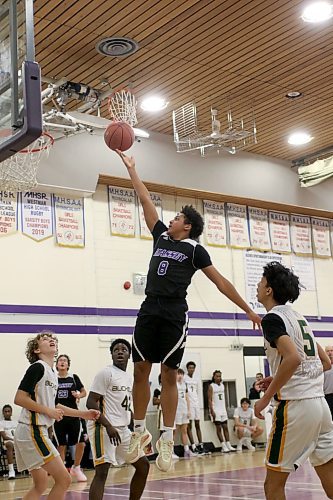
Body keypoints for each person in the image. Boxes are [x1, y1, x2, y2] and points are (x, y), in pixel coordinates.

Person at [117, 150, 261, 472]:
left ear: (188, 226)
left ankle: (167, 437)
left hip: (173, 313)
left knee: (168, 374)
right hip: (148, 308)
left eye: (179, 217)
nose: (173, 218)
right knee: (140, 370)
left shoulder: (195, 249)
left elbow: (221, 282)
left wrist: (249, 311)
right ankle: (139, 432)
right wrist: (132, 169)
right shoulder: (160, 237)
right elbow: (144, 200)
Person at [254, 261, 333, 500]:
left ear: (269, 290)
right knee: (330, 477)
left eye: (261, 282)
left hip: (295, 407)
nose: (258, 285)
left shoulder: (271, 319)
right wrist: (276, 376)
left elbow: (293, 359)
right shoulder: (300, 318)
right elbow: (325, 363)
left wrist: (264, 400)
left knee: (273, 485)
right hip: (321, 407)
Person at [13, 331, 99, 500]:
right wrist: (48, 411)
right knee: (64, 479)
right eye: (44, 339)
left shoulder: (51, 373)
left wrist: (84, 414)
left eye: (52, 338)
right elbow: (19, 398)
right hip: (32, 431)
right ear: (36, 350)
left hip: (36, 432)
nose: (50, 339)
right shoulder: (37, 367)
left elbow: (55, 406)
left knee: (41, 485)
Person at [86, 338, 149, 500]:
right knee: (102, 472)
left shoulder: (130, 378)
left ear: (129, 355)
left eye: (124, 349)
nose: (120, 351)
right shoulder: (106, 373)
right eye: (116, 350)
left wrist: (138, 428)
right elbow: (91, 402)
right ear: (112, 354)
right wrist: (108, 426)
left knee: (143, 466)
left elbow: (127, 407)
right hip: (103, 427)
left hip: (123, 429)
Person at [53, 354, 87, 481]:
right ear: (56, 364)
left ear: (68, 364)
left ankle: (76, 467)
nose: (62, 362)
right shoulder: (52, 378)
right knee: (61, 445)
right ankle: (62, 473)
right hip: (58, 415)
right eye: (60, 360)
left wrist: (78, 395)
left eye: (64, 361)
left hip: (73, 414)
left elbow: (84, 392)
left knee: (81, 443)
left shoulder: (73, 378)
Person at [208, 370, 235, 452]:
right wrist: (212, 411)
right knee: (218, 428)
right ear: (214, 377)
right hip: (216, 410)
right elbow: (209, 399)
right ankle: (223, 446)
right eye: (217, 376)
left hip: (223, 409)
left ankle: (228, 444)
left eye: (220, 376)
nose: (218, 377)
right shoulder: (211, 386)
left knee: (225, 427)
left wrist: (226, 408)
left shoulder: (222, 385)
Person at [184, 361, 205, 454]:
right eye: (190, 368)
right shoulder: (184, 378)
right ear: (187, 368)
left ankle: (201, 445)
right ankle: (193, 446)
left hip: (196, 404)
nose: (191, 369)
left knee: (197, 424)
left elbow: (198, 392)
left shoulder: (196, 379)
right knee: (189, 425)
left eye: (193, 367)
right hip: (189, 404)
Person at [175, 368, 196, 458]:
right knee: (174, 432)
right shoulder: (173, 385)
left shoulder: (184, 384)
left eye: (181, 374)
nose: (180, 376)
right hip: (176, 411)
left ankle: (186, 450)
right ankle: (170, 452)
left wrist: (189, 410)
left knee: (184, 431)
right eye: (178, 374)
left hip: (184, 410)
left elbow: (187, 398)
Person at [0, 404, 18, 479]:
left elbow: (20, 433)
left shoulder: (16, 422)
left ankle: (30, 469)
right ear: (3, 413)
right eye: (5, 411)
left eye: (9, 411)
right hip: (7, 442)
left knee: (27, 444)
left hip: (17, 440)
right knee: (10, 445)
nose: (7, 413)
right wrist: (13, 439)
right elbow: (4, 436)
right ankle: (11, 471)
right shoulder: (1, 423)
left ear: (11, 412)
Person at [324, 345, 333, 419]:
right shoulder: (323, 366)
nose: (330, 353)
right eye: (328, 351)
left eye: (331, 350)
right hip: (326, 396)